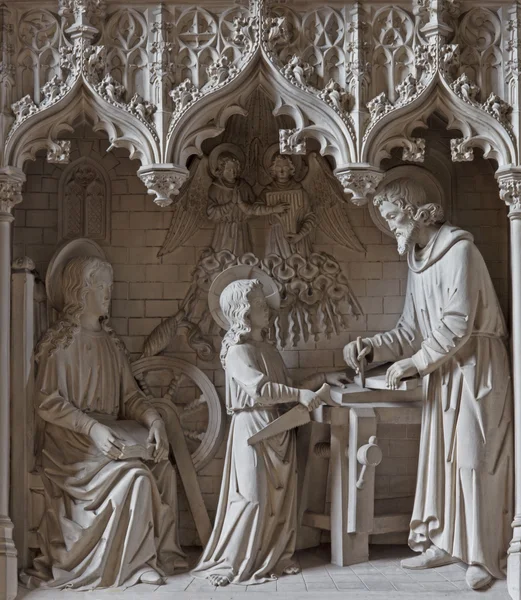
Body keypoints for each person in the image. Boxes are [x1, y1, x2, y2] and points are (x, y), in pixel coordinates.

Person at [344, 178, 513, 591]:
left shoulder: (460, 250)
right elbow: (410, 329)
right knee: (443, 462)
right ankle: (445, 542)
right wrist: (373, 346)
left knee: (474, 460)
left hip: (476, 368)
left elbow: (458, 321)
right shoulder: (417, 260)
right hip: (445, 371)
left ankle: (483, 555)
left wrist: (415, 364)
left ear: (416, 212)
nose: (388, 226)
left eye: (391, 216)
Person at [22, 256, 186, 590]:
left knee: (164, 468)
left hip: (110, 434)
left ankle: (162, 553)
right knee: (137, 476)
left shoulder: (112, 344)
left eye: (108, 285)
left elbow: (130, 398)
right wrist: (91, 428)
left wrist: (154, 420)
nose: (107, 292)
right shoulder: (62, 342)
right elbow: (47, 401)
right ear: (80, 291)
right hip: (72, 443)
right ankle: (137, 565)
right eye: (99, 285)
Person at [192, 278, 346, 586]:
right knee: (252, 497)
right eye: (261, 304)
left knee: (280, 500)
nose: (269, 309)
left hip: (278, 428)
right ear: (244, 312)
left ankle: (276, 555)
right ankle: (231, 563)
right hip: (251, 428)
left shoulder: (269, 350)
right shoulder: (237, 352)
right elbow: (261, 390)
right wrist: (299, 395)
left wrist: (321, 377)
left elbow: (286, 392)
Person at [207, 154, 288, 256]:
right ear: (221, 171)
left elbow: (254, 209)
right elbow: (211, 213)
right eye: (229, 170)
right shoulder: (215, 188)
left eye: (235, 169)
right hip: (224, 231)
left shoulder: (244, 186)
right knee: (223, 257)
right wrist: (231, 204)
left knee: (243, 257)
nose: (233, 173)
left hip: (242, 229)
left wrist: (243, 207)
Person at [263, 154, 317, 258]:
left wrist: (300, 235)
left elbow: (311, 216)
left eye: (285, 168)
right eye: (278, 168)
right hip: (277, 236)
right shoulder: (268, 190)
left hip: (298, 236)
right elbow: (254, 209)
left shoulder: (300, 191)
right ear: (274, 170)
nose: (282, 171)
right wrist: (273, 209)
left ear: (291, 169)